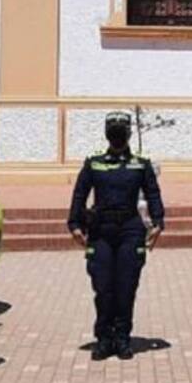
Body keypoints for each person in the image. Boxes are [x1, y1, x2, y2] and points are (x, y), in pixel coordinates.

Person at [67, 112, 164, 361]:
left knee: (126, 287)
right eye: (114, 129)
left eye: (122, 129)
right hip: (101, 231)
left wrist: (158, 222)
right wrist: (75, 224)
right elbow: (80, 193)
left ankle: (122, 338)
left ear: (129, 133)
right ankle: (104, 338)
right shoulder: (94, 162)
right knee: (103, 287)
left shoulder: (141, 163)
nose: (118, 133)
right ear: (106, 133)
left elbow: (153, 194)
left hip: (130, 230)